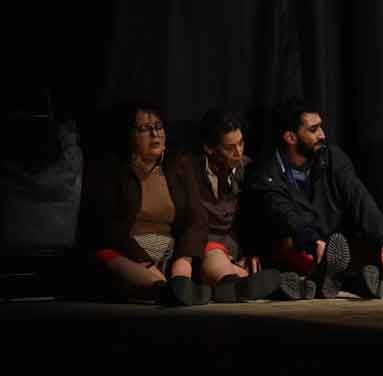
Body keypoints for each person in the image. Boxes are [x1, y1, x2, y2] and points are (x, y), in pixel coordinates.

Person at [247, 98, 383, 298]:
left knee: (378, 244)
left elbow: (359, 198)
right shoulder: (267, 173)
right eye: (314, 130)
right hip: (301, 246)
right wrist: (312, 240)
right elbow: (285, 215)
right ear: (290, 137)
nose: (323, 135)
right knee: (290, 242)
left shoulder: (331, 157)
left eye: (321, 127)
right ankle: (350, 283)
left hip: (332, 244)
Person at [83, 100, 210, 306]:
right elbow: (105, 227)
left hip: (171, 251)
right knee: (106, 257)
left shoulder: (178, 165)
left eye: (159, 127)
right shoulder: (112, 169)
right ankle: (162, 290)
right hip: (129, 252)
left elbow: (198, 219)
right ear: (129, 135)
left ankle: (185, 285)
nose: (155, 134)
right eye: (145, 128)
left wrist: (183, 262)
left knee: (210, 251)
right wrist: (140, 258)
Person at [189, 108, 313, 302]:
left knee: (286, 237)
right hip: (206, 249)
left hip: (236, 249)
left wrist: (253, 249)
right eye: (230, 148)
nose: (238, 152)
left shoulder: (248, 169)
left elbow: (257, 213)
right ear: (210, 148)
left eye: (241, 143)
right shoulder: (191, 171)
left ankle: (318, 274)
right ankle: (268, 286)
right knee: (217, 260)